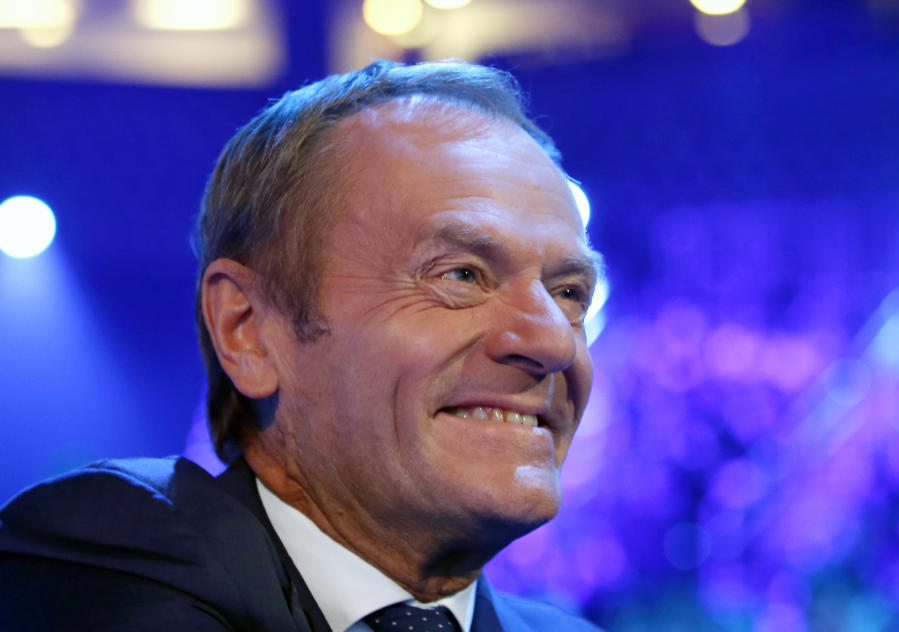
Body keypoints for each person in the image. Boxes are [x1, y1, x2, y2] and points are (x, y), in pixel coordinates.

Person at [0, 60, 604, 631]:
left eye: (570, 292)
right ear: (250, 329)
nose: (552, 339)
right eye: (461, 275)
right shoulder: (119, 564)